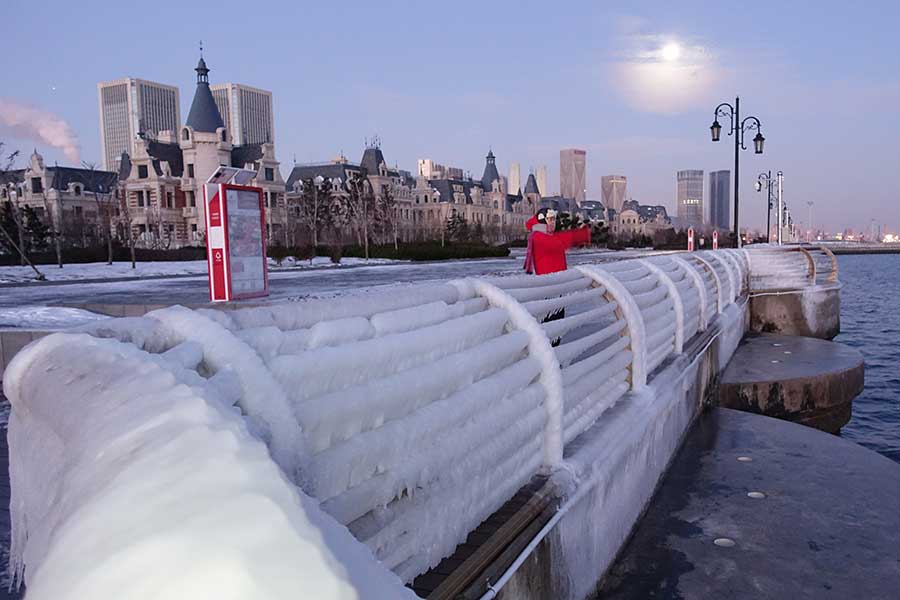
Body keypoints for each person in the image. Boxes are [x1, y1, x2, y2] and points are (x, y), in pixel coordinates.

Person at [524, 208, 591, 275]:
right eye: (550, 219)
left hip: (555, 278)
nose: (553, 222)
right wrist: (584, 234)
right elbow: (559, 242)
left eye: (554, 219)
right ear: (542, 221)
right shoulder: (538, 236)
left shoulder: (544, 235)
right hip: (549, 280)